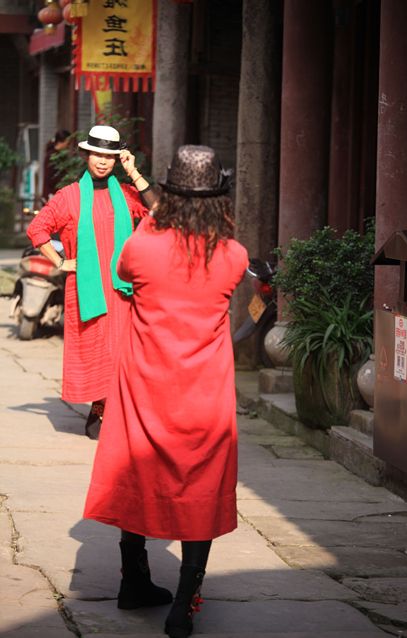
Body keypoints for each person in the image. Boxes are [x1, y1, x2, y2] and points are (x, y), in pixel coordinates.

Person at [83, 145, 249, 638]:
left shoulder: (143, 245)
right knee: (201, 482)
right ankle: (183, 606)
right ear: (220, 198)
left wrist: (157, 218)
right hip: (204, 387)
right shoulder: (233, 255)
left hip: (145, 380)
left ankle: (133, 581)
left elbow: (124, 272)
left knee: (137, 469)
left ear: (169, 193)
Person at [27, 125, 155, 438]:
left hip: (122, 290)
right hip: (87, 290)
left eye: (109, 156)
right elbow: (37, 229)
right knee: (98, 352)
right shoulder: (69, 196)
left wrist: (133, 171)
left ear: (116, 159)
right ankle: (99, 408)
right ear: (86, 155)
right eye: (97, 154)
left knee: (123, 352)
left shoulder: (126, 194)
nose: (102, 161)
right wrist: (60, 262)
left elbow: (158, 211)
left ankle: (117, 410)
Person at [42, 129, 71, 200]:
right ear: (64, 141)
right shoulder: (51, 155)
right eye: (68, 142)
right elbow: (49, 177)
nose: (69, 145)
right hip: (51, 193)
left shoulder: (61, 155)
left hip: (58, 192)